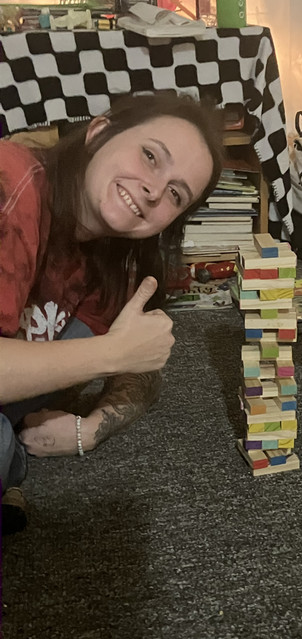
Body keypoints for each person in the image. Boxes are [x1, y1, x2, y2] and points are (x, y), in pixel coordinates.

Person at [1, 93, 224, 534]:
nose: (154, 191)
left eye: (176, 194)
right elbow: (121, 354)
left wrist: (91, 429)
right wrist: (110, 353)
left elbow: (142, 366)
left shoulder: (111, 256)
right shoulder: (13, 182)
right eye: (150, 156)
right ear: (99, 132)